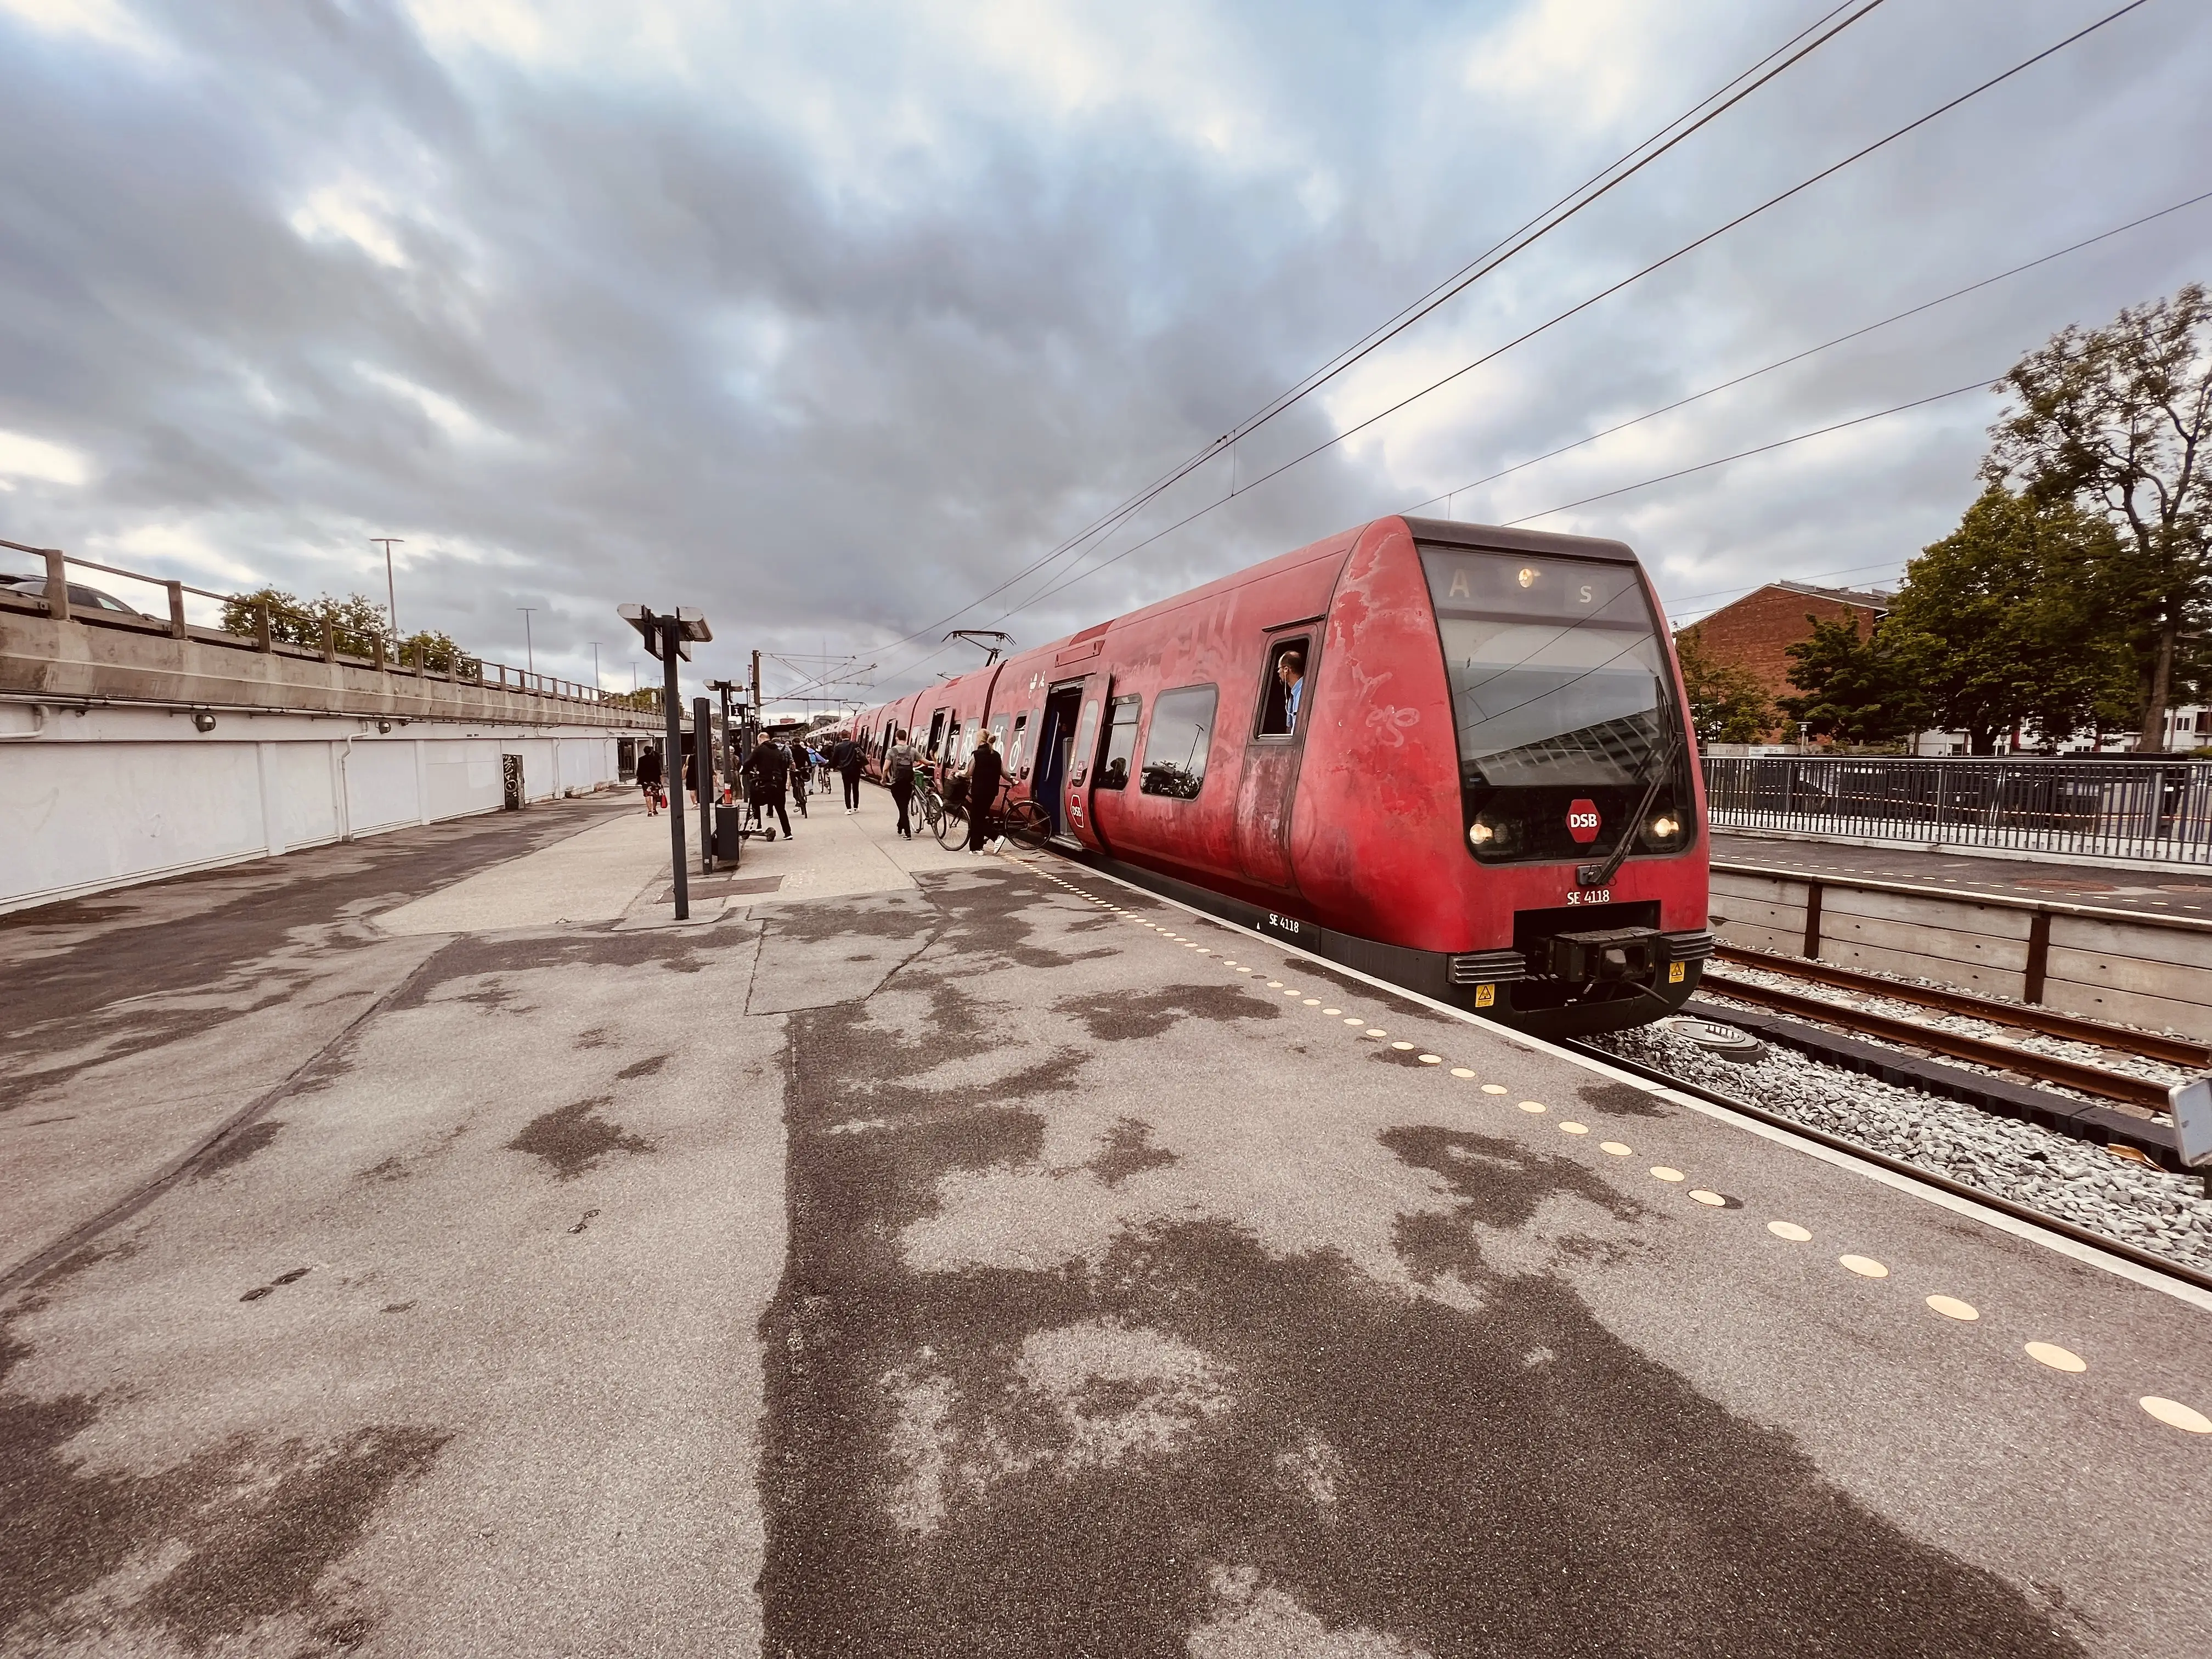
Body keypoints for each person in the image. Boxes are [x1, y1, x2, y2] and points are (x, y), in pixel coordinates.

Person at [746, 731, 793, 839]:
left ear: (760, 739)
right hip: (777, 783)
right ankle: (788, 833)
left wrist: (744, 770)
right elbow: (784, 766)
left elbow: (749, 763)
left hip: (765, 783)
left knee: (755, 801)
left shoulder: (759, 749)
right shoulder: (778, 750)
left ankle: (758, 826)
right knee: (781, 809)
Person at [966, 729, 1004, 853]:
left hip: (979, 792)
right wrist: (1012, 780)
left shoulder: (976, 754)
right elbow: (1004, 772)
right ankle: (978, 848)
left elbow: (969, 773)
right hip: (992, 792)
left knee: (977, 819)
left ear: (979, 740)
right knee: (980, 817)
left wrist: (958, 775)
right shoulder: (997, 755)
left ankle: (996, 837)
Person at [887, 728, 918, 838]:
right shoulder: (912, 750)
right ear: (906, 738)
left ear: (896, 738)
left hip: (897, 783)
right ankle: (900, 826)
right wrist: (932, 762)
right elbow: (923, 760)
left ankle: (908, 833)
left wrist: (883, 778)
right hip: (908, 783)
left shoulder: (891, 751)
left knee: (902, 807)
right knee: (904, 806)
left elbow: (886, 768)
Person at [831, 735, 864, 812]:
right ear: (849, 736)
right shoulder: (855, 744)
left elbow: (835, 758)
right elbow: (862, 754)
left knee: (847, 789)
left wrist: (833, 767)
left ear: (841, 737)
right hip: (856, 769)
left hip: (845, 770)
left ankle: (849, 808)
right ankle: (856, 807)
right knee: (856, 788)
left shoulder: (838, 746)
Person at [1277, 648, 1306, 734]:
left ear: (1286, 670)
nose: (1278, 672)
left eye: (1280, 668)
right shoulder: (1294, 694)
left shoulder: (1303, 692)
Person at [636, 744, 664, 816]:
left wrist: (639, 779)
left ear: (644, 752)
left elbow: (639, 771)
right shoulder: (655, 759)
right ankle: (654, 809)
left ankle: (649, 811)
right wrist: (661, 780)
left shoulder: (641, 759)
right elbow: (659, 771)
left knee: (647, 795)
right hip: (655, 780)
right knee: (654, 795)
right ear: (651, 751)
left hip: (645, 781)